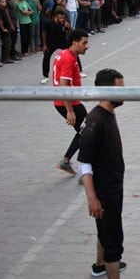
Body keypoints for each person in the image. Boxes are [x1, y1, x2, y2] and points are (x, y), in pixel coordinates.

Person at [78, 69, 140, 279]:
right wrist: (92, 197)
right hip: (105, 191)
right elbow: (84, 164)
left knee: (104, 228)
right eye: (119, 87)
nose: (123, 92)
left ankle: (100, 265)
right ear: (105, 90)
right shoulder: (96, 121)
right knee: (113, 236)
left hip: (112, 186)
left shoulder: (105, 113)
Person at [53, 29, 89, 175]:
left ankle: (67, 161)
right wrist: (69, 111)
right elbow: (63, 86)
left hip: (67, 102)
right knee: (88, 134)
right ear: (74, 43)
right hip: (68, 103)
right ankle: (84, 171)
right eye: (84, 43)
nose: (87, 46)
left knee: (84, 133)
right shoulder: (68, 59)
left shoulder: (64, 54)